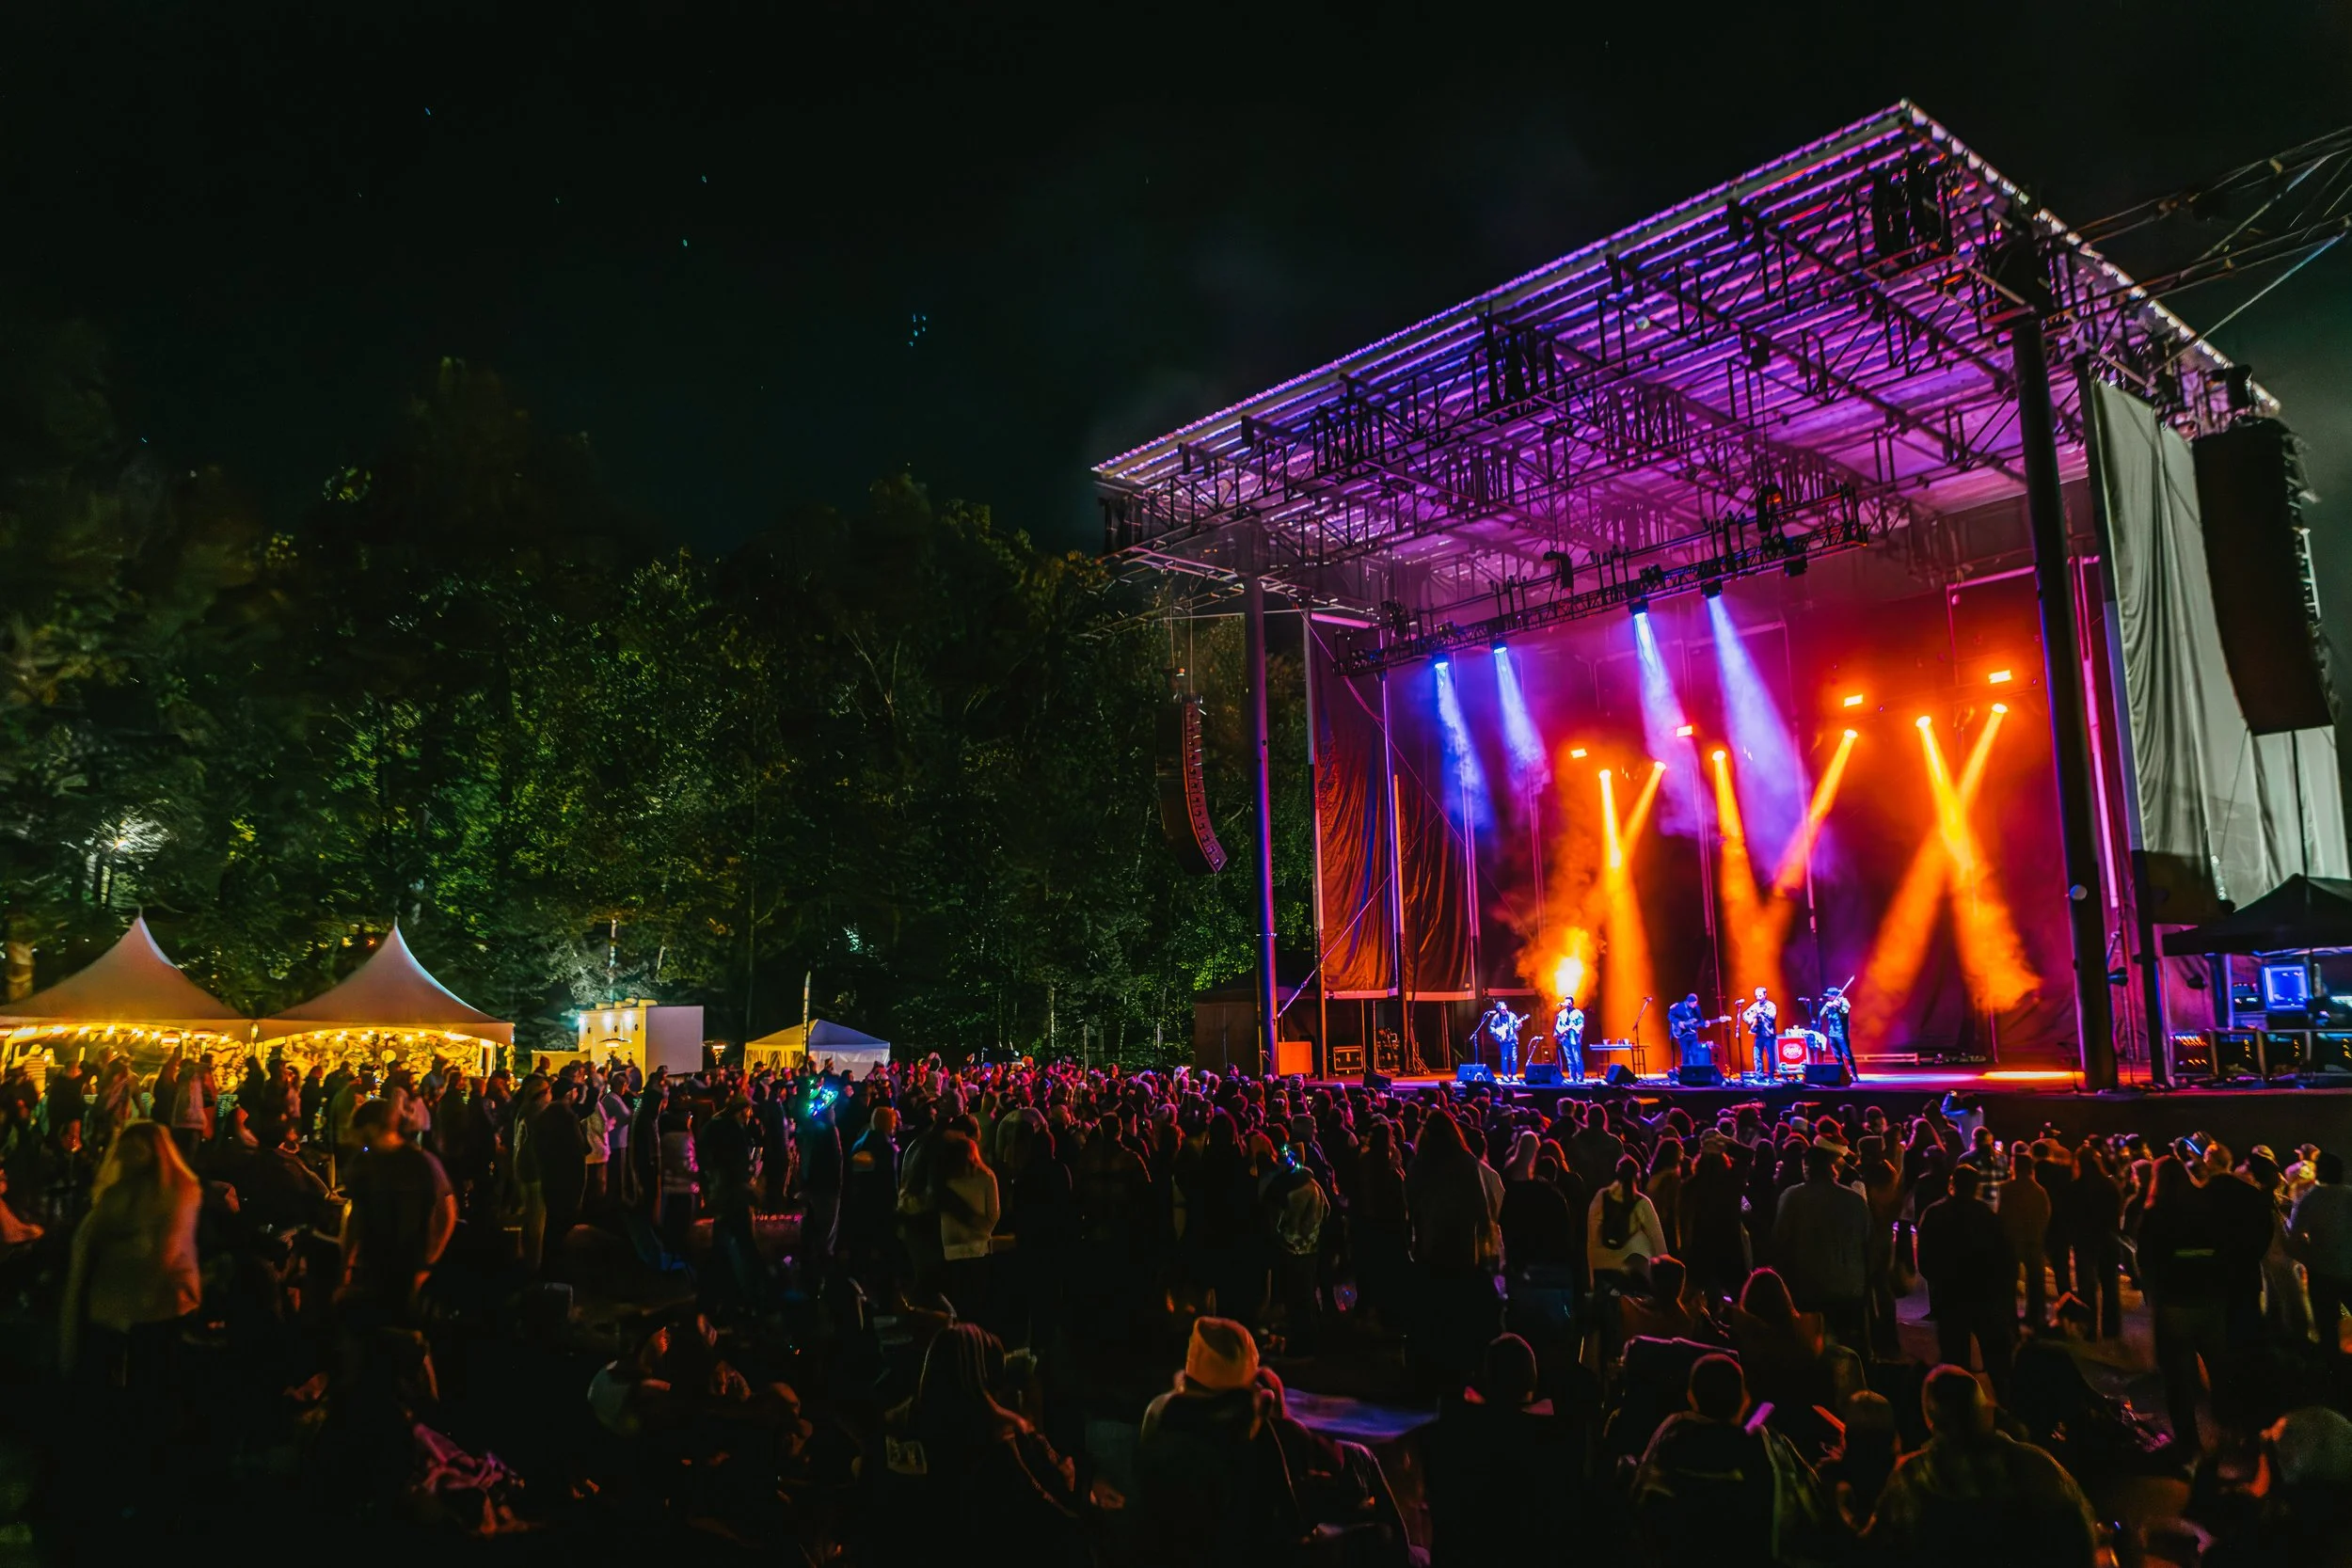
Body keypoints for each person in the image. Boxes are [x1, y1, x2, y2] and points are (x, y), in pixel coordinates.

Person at [1863, 1364, 2096, 1568]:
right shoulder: (2038, 1465)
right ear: (1984, 1410)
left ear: (1930, 1420)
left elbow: (1875, 1548)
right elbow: (2082, 1534)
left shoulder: (1912, 1476)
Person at [1632, 1352, 1826, 1567]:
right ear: (1745, 1400)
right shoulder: (1766, 1449)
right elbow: (1805, 1516)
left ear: (1690, 1396)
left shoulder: (1670, 1437)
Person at [59, 1121, 202, 1385]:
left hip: (159, 1302)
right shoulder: (117, 1194)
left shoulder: (178, 1194)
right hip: (116, 1299)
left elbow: (168, 1250)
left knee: (147, 1374)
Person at [341, 1097, 456, 1318]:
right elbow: (357, 1214)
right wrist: (346, 1264)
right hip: (372, 1263)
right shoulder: (361, 1163)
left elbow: (446, 1215)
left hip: (408, 1264)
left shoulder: (421, 1162)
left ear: (373, 1128)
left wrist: (426, 1265)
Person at [1915, 1164, 2015, 1400]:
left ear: (1952, 1182)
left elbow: (1925, 1258)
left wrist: (1938, 1281)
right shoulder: (1987, 1216)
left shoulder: (1935, 1213)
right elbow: (2004, 1257)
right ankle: (2006, 1404)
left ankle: (1957, 1408)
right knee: (1994, 1357)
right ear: (1976, 1187)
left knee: (1953, 1357)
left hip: (1950, 1294)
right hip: (1983, 1294)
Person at [1771, 1143, 1870, 1348]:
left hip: (1807, 1287)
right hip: (1848, 1286)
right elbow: (1868, 1244)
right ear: (1831, 1166)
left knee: (1810, 1348)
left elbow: (1780, 1241)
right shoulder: (1854, 1200)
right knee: (1846, 1347)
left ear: (1806, 1167)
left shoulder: (1791, 1197)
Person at [2287, 1149, 2352, 1351]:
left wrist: (2307, 1257)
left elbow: (2294, 1236)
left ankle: (2334, 1372)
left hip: (2321, 1271)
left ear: (2319, 1172)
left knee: (2327, 1327)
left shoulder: (2309, 1199)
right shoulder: (2350, 1194)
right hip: (2349, 1267)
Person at [1998, 1148, 2051, 1331]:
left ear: (2014, 1167)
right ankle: (2036, 1317)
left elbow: (2001, 1215)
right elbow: (2045, 1214)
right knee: (2036, 1282)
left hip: (2011, 1240)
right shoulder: (2039, 1191)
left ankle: (2009, 1318)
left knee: (2008, 1282)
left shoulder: (2005, 1188)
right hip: (2034, 1241)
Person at [1817, 984, 1856, 1080]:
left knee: (1847, 1055)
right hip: (1832, 1034)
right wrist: (1826, 1006)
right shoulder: (1829, 1003)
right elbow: (1820, 1015)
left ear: (1835, 995)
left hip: (1841, 1033)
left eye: (1830, 996)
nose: (1828, 997)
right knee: (1837, 1056)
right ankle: (1844, 1075)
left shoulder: (1843, 1001)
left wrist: (1837, 1007)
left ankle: (1855, 1075)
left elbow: (1845, 1012)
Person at [1478, 998, 1526, 1077]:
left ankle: (1514, 1075)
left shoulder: (1512, 1016)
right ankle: (1505, 1075)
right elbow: (1491, 1028)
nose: (1503, 1010)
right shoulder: (1496, 1017)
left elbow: (1517, 1027)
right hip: (1503, 1042)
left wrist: (1519, 1025)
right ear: (1499, 1010)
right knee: (1505, 1058)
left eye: (1504, 1009)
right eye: (1501, 1009)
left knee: (1514, 1059)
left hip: (1513, 1040)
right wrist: (1498, 1031)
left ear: (1506, 1007)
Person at [1741, 987, 1778, 1079]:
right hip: (1759, 1035)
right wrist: (1750, 1020)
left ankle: (1771, 1076)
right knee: (1757, 1055)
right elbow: (1745, 1014)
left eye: (1760, 995)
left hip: (1769, 1035)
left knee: (1771, 1057)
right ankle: (1759, 1075)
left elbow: (1772, 1017)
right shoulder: (1755, 1005)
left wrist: (1763, 1013)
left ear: (1765, 995)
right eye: (1756, 996)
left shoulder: (1770, 1005)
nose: (1758, 998)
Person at [1667, 992, 1705, 1069]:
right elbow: (1670, 1015)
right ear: (1688, 1002)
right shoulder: (1679, 1007)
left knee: (1695, 1053)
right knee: (1685, 1053)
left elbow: (1701, 1020)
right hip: (1682, 1034)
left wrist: (1705, 1024)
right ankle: (1685, 1073)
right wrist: (1678, 1022)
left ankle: (1696, 1073)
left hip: (1693, 1034)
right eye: (1693, 1003)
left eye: (1696, 1003)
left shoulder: (1697, 1008)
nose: (1695, 1005)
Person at [1554, 995, 1587, 1082]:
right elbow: (1558, 1026)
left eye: (1569, 1003)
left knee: (1577, 1058)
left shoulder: (1578, 1013)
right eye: (1566, 1003)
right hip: (1565, 1039)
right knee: (1569, 1058)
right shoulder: (1561, 1013)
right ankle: (1572, 1077)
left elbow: (1581, 1025)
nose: (1567, 1004)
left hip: (1574, 1038)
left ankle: (1580, 1076)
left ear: (1572, 1003)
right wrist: (1561, 1032)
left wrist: (1573, 1028)